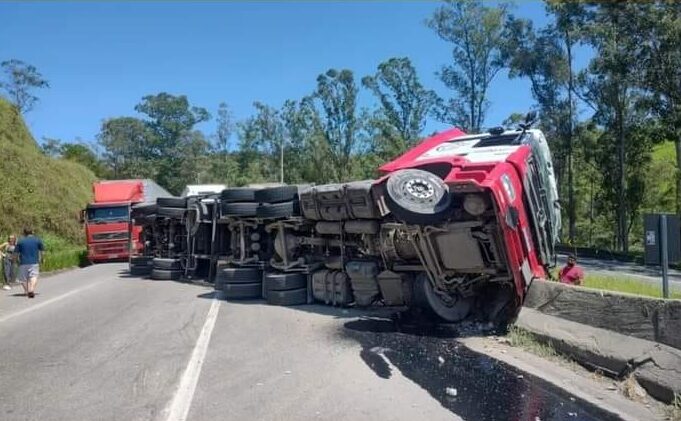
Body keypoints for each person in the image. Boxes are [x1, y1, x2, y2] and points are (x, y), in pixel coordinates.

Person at [15, 228, 44, 298]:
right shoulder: (37, 240)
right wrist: (42, 259)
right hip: (34, 262)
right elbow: (42, 251)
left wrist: (16, 261)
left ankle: (27, 291)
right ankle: (31, 289)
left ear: (24, 233)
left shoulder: (20, 241)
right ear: (32, 232)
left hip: (23, 262)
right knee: (34, 276)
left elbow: (16, 253)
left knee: (23, 278)